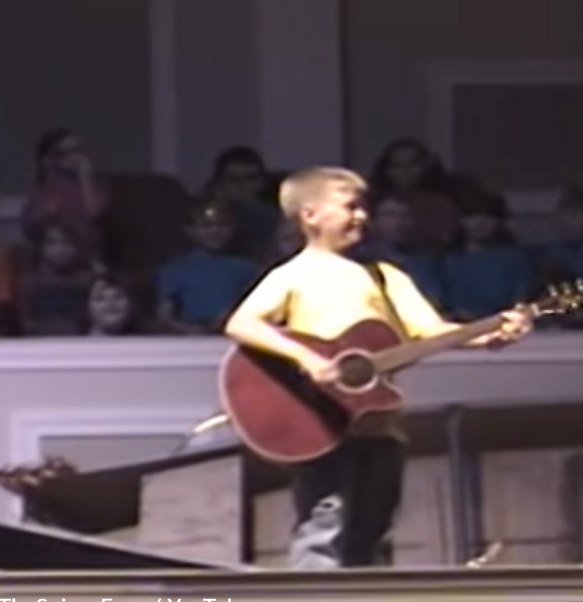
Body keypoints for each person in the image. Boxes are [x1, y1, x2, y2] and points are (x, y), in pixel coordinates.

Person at [223, 166, 534, 569]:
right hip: (321, 424)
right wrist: (310, 360)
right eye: (349, 207)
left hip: (380, 426)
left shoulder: (385, 278)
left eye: (363, 207)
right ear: (310, 215)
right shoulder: (292, 275)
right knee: (324, 527)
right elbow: (241, 324)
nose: (361, 216)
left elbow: (430, 331)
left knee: (374, 532)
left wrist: (489, 335)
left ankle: (366, 601)